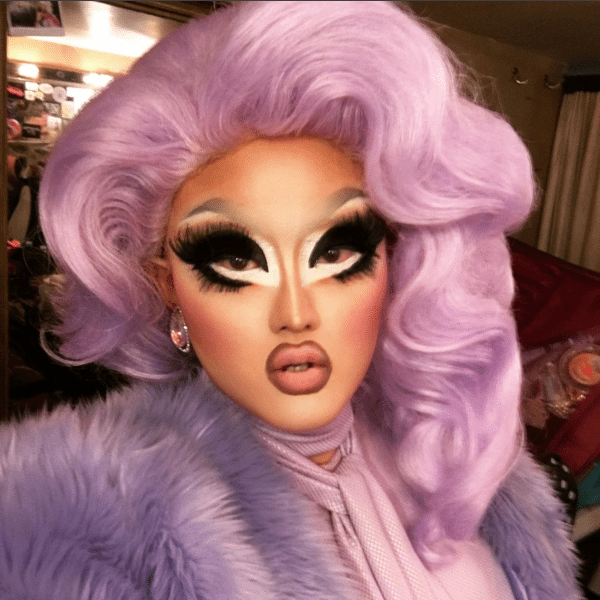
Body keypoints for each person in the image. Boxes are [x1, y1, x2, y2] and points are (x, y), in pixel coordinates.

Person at [0, 2, 581, 599]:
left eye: (336, 253)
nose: (296, 314)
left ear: (393, 262)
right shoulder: (87, 521)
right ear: (167, 284)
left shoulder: (460, 456)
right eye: (235, 261)